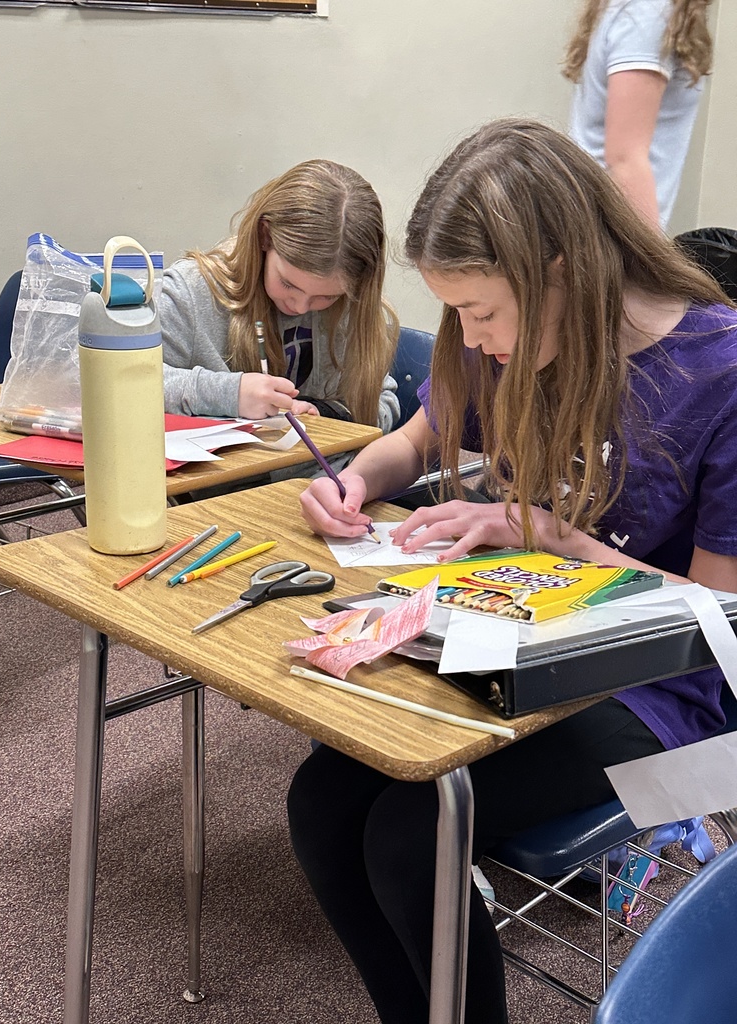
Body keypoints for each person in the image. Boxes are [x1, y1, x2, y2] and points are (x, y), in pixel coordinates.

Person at [287, 118, 737, 1024]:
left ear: (562, 271)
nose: (467, 335)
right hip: (528, 639)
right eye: (454, 311)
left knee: (412, 837)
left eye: (482, 312)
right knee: (322, 805)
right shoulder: (503, 339)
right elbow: (416, 440)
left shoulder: (717, 372)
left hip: (678, 702)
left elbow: (721, 614)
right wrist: (355, 480)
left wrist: (560, 539)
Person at [160, 159, 400, 432]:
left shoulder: (352, 304)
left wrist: (329, 414)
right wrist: (229, 393)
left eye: (326, 297)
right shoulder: (191, 293)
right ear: (265, 236)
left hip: (322, 460)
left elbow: (383, 403)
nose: (301, 306)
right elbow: (131, 388)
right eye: (288, 284)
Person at [564, 0, 714, 229]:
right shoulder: (648, 13)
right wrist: (648, 251)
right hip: (607, 228)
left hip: (596, 222)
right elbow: (624, 160)